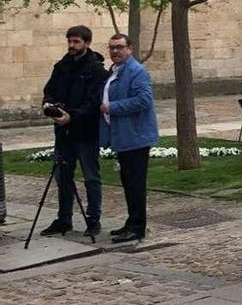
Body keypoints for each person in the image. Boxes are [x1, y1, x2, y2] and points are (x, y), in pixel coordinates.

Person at [39, 26, 108, 237]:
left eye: (76, 42)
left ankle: (93, 219)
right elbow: (49, 89)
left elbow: (93, 101)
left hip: (85, 132)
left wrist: (73, 116)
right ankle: (64, 219)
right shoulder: (62, 66)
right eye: (70, 41)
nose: (72, 45)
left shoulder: (96, 70)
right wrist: (49, 105)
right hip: (63, 133)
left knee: (91, 177)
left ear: (86, 43)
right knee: (62, 175)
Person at [99, 33, 158, 244]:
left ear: (129, 49)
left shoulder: (136, 71)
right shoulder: (115, 71)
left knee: (135, 183)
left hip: (136, 136)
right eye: (112, 47)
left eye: (119, 47)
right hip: (123, 136)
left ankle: (137, 227)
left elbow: (143, 100)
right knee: (128, 182)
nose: (115, 51)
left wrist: (112, 107)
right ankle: (131, 221)